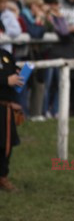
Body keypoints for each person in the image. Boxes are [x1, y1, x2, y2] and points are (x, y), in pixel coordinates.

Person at [0, 48, 23, 191]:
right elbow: (7, 79)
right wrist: (5, 80)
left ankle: (2, 176)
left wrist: (18, 72)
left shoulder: (5, 54)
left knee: (6, 144)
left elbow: (13, 68)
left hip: (6, 107)